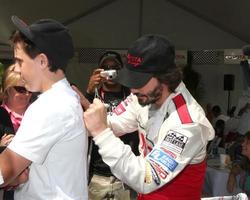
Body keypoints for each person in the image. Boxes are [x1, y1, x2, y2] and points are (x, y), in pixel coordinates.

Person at [84, 34, 215, 200]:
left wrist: (101, 133)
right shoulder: (143, 96)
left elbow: (146, 178)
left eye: (139, 80)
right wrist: (86, 117)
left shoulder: (188, 122)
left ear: (165, 77)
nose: (132, 89)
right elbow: (114, 123)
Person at [0, 16, 88, 200]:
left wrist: (13, 173)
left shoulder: (51, 106)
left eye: (19, 61)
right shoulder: (63, 99)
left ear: (42, 61)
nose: (15, 69)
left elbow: (6, 169)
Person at [84, 51, 139, 200]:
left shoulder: (132, 95)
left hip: (126, 174)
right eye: (105, 67)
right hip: (98, 173)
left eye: (115, 67)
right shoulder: (93, 95)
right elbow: (81, 123)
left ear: (121, 71)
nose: (110, 71)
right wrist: (89, 91)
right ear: (98, 72)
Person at [0, 64, 32, 200]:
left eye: (29, 89)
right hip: (8, 190)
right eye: (20, 89)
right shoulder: (1, 116)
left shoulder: (39, 113)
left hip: (37, 186)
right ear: (7, 90)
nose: (27, 94)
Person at [227, 131, 250, 197]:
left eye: (247, 142)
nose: (242, 144)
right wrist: (232, 174)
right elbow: (238, 166)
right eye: (244, 141)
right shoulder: (246, 162)